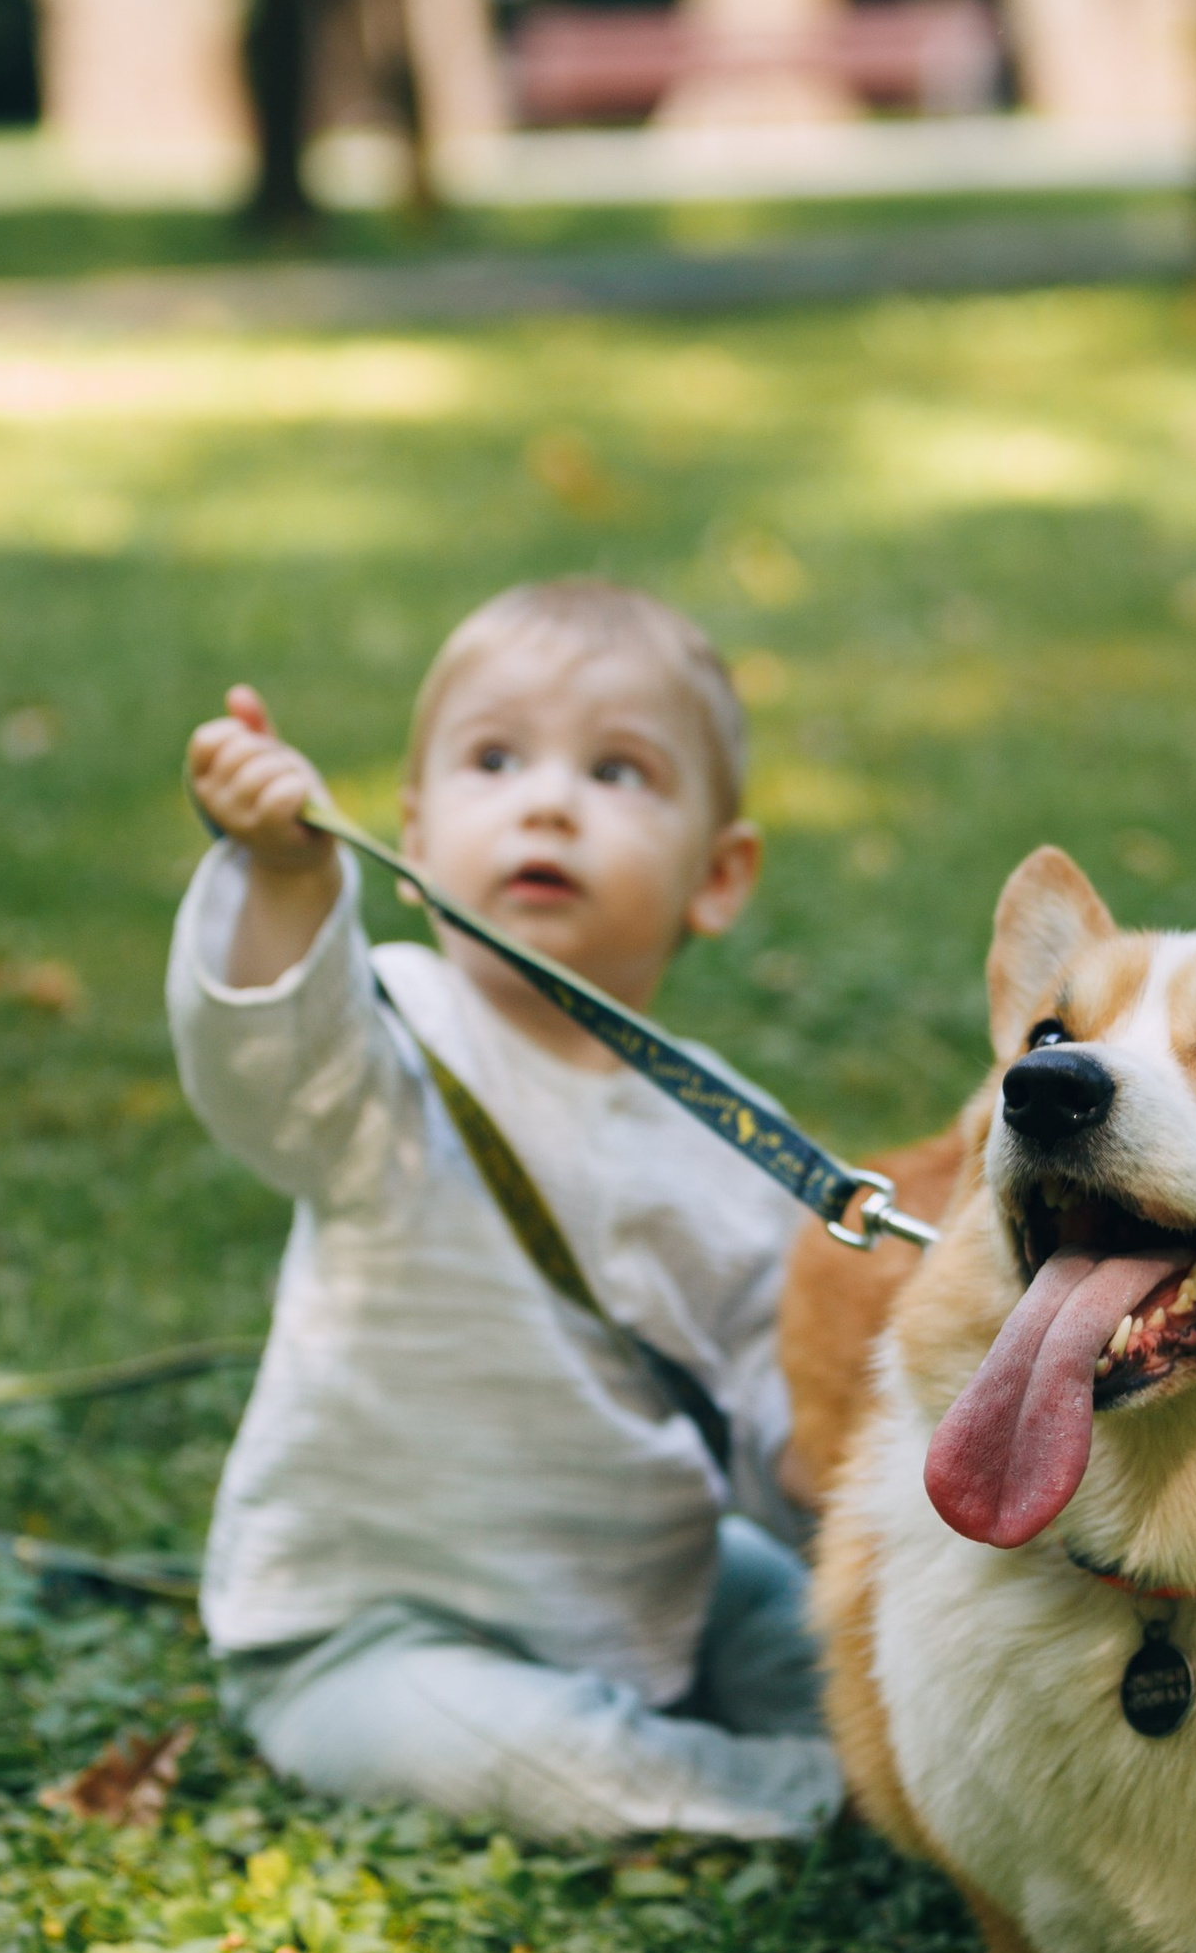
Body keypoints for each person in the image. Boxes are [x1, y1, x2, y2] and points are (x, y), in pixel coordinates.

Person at [171, 577, 841, 1848]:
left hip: (654, 1593)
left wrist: (829, 1453)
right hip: (372, 1630)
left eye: (618, 773)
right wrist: (283, 885)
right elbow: (272, 1076)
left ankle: (900, 1743)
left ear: (719, 874)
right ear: (413, 845)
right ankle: (815, 1801)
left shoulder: (728, 1132)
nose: (547, 799)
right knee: (562, 1763)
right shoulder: (395, 1035)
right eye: (495, 759)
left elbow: (774, 1389)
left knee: (812, 1630)